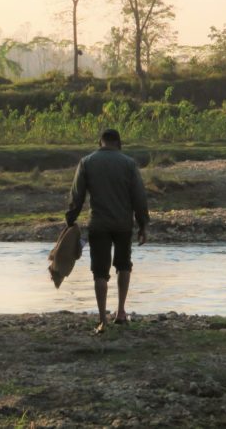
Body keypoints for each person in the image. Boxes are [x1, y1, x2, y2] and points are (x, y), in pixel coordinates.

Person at [65, 129, 149, 334]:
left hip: (99, 224)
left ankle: (102, 319)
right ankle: (121, 312)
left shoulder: (87, 162)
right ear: (119, 143)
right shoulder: (129, 163)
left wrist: (70, 219)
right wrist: (143, 224)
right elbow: (139, 196)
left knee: (100, 272)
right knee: (124, 265)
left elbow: (77, 195)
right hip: (123, 224)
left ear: (99, 143)